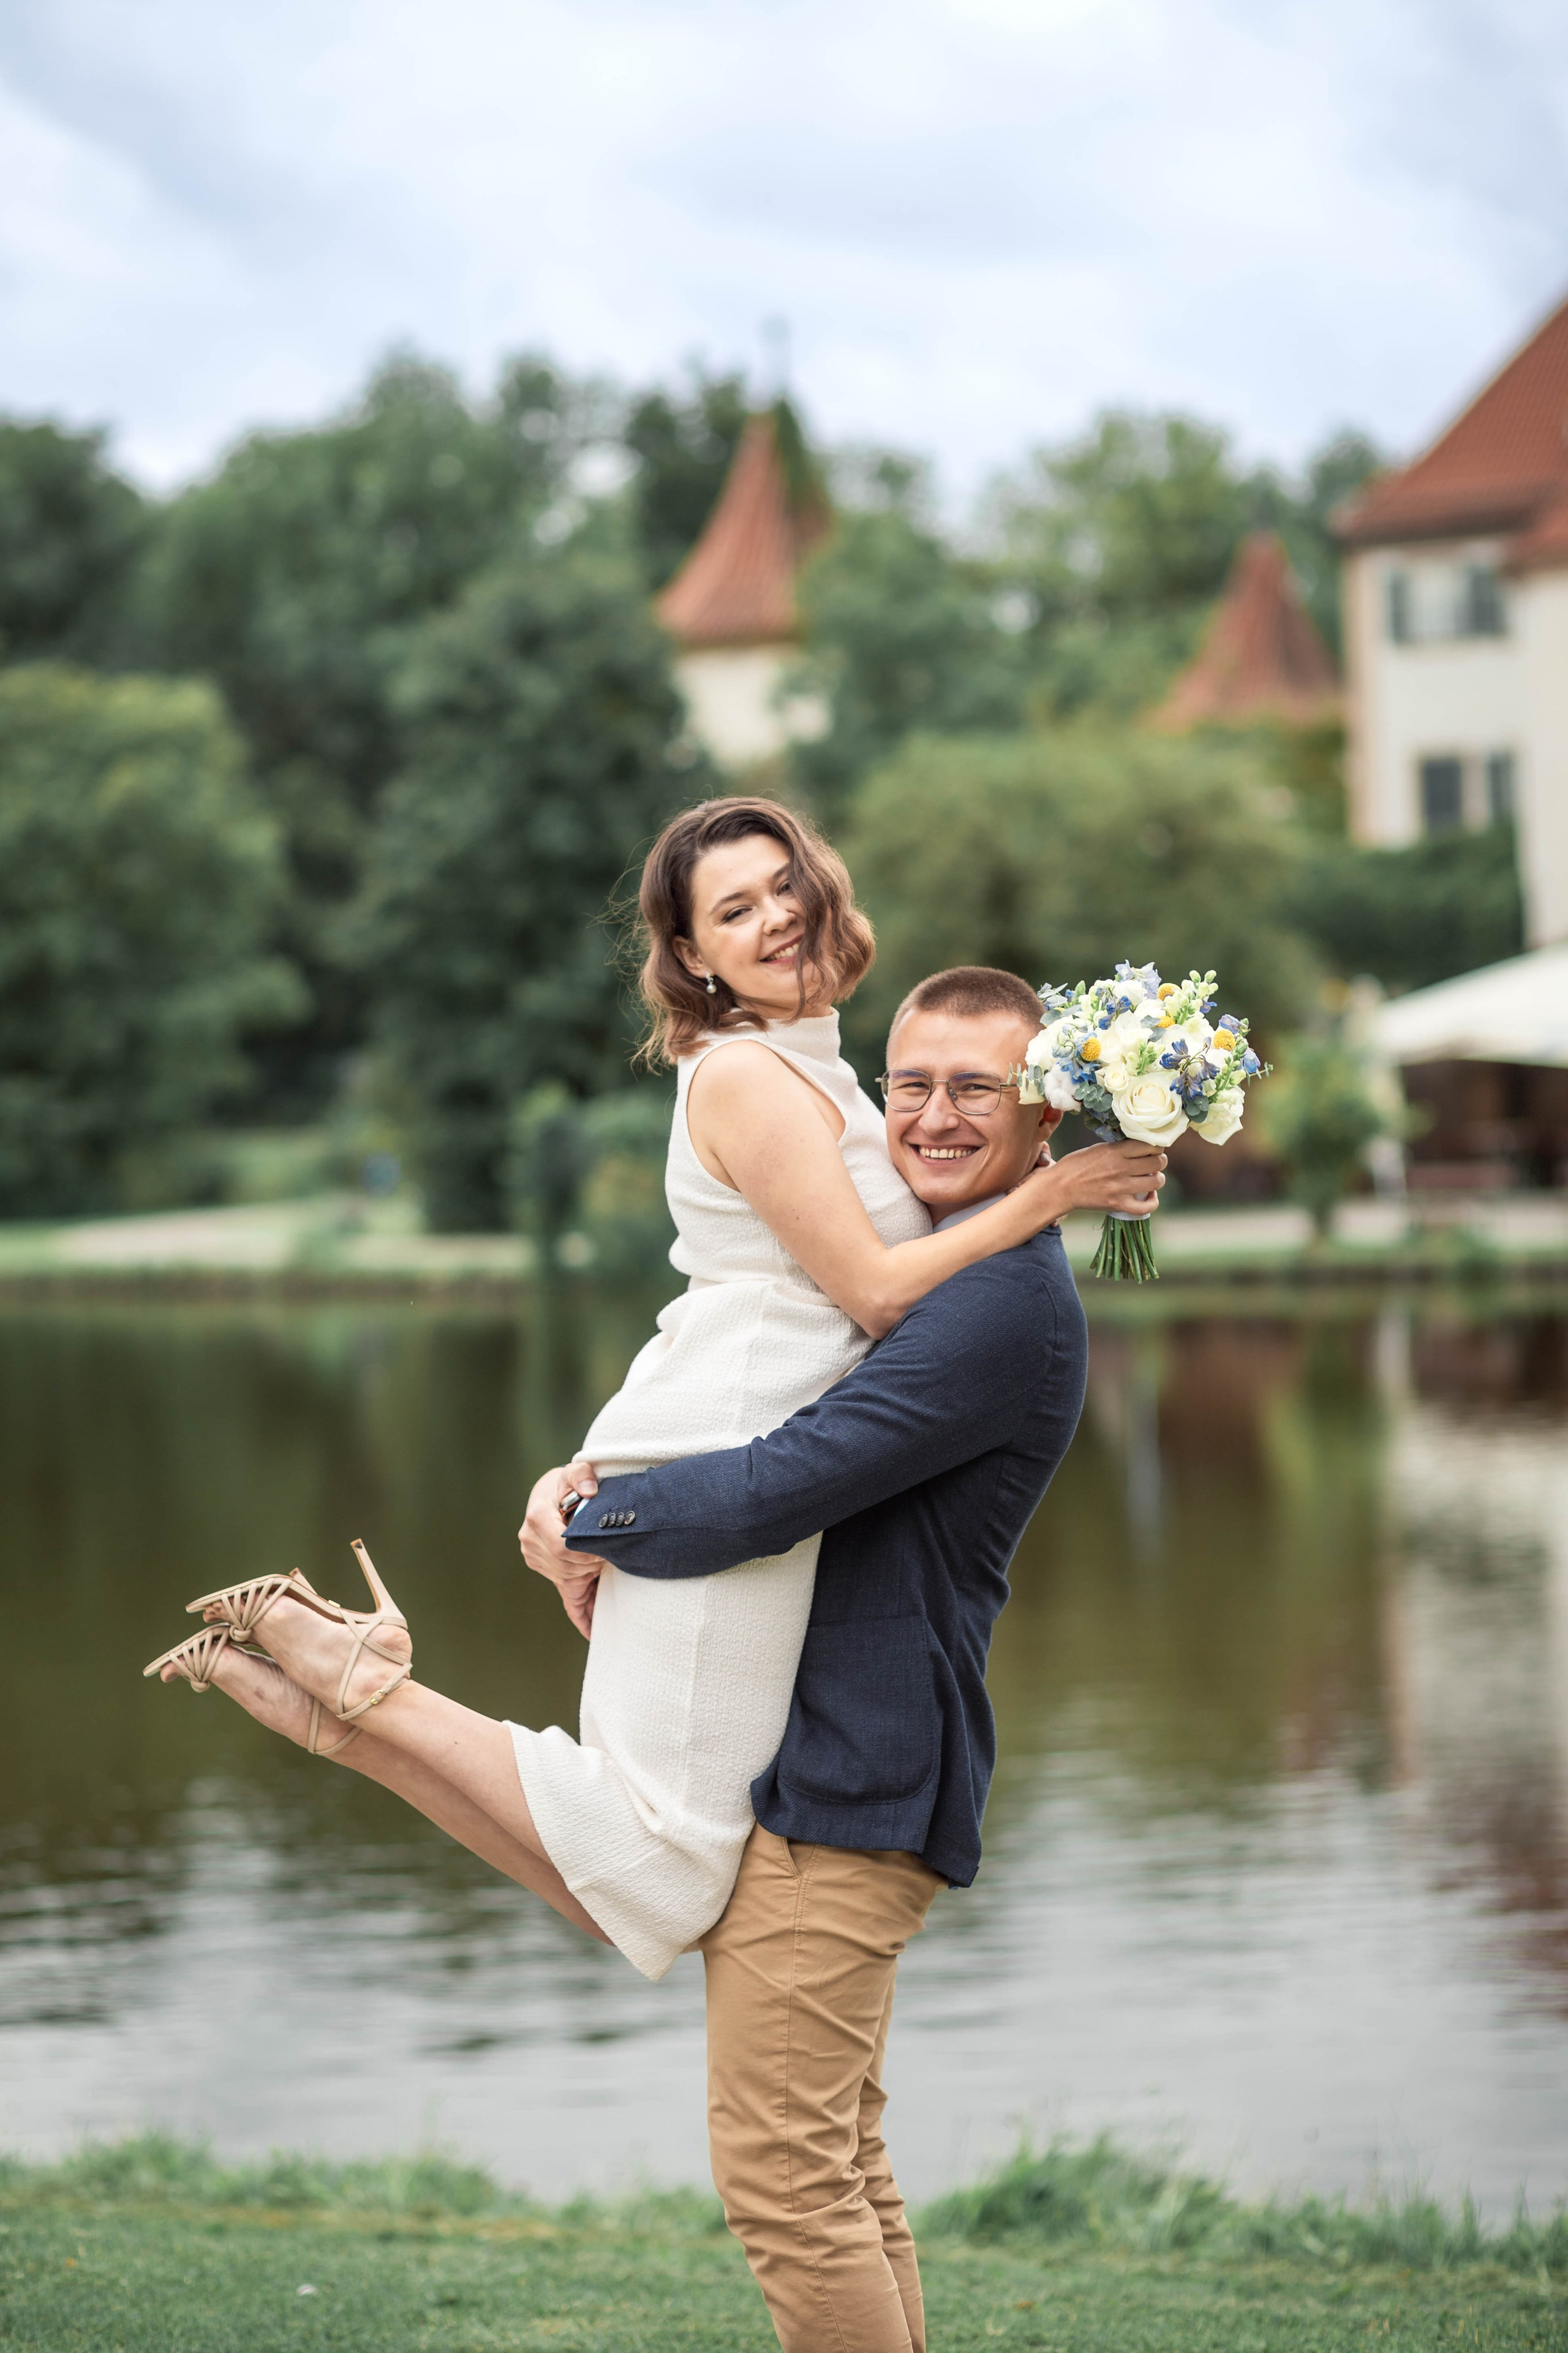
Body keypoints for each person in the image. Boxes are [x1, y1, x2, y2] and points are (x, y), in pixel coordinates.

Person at [143, 805, 1157, 2033]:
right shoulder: (746, 1074)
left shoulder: (819, 1063)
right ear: (693, 959)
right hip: (722, 1454)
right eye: (733, 910)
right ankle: (368, 1689)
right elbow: (875, 1291)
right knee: (666, 1859)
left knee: (641, 1885)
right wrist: (1053, 1193)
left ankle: (346, 1717)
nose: (773, 915)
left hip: (708, 1428)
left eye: (783, 885)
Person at [517, 963, 1104, 2353]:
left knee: (784, 2183)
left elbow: (782, 1485)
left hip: (855, 1784)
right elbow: (746, 1393)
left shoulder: (995, 1306)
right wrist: (586, 1475)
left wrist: (588, 1520)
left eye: (977, 1087)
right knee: (838, 2168)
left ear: (1045, 1113)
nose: (935, 1116)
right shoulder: (938, 1271)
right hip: (845, 1768)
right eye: (909, 1083)